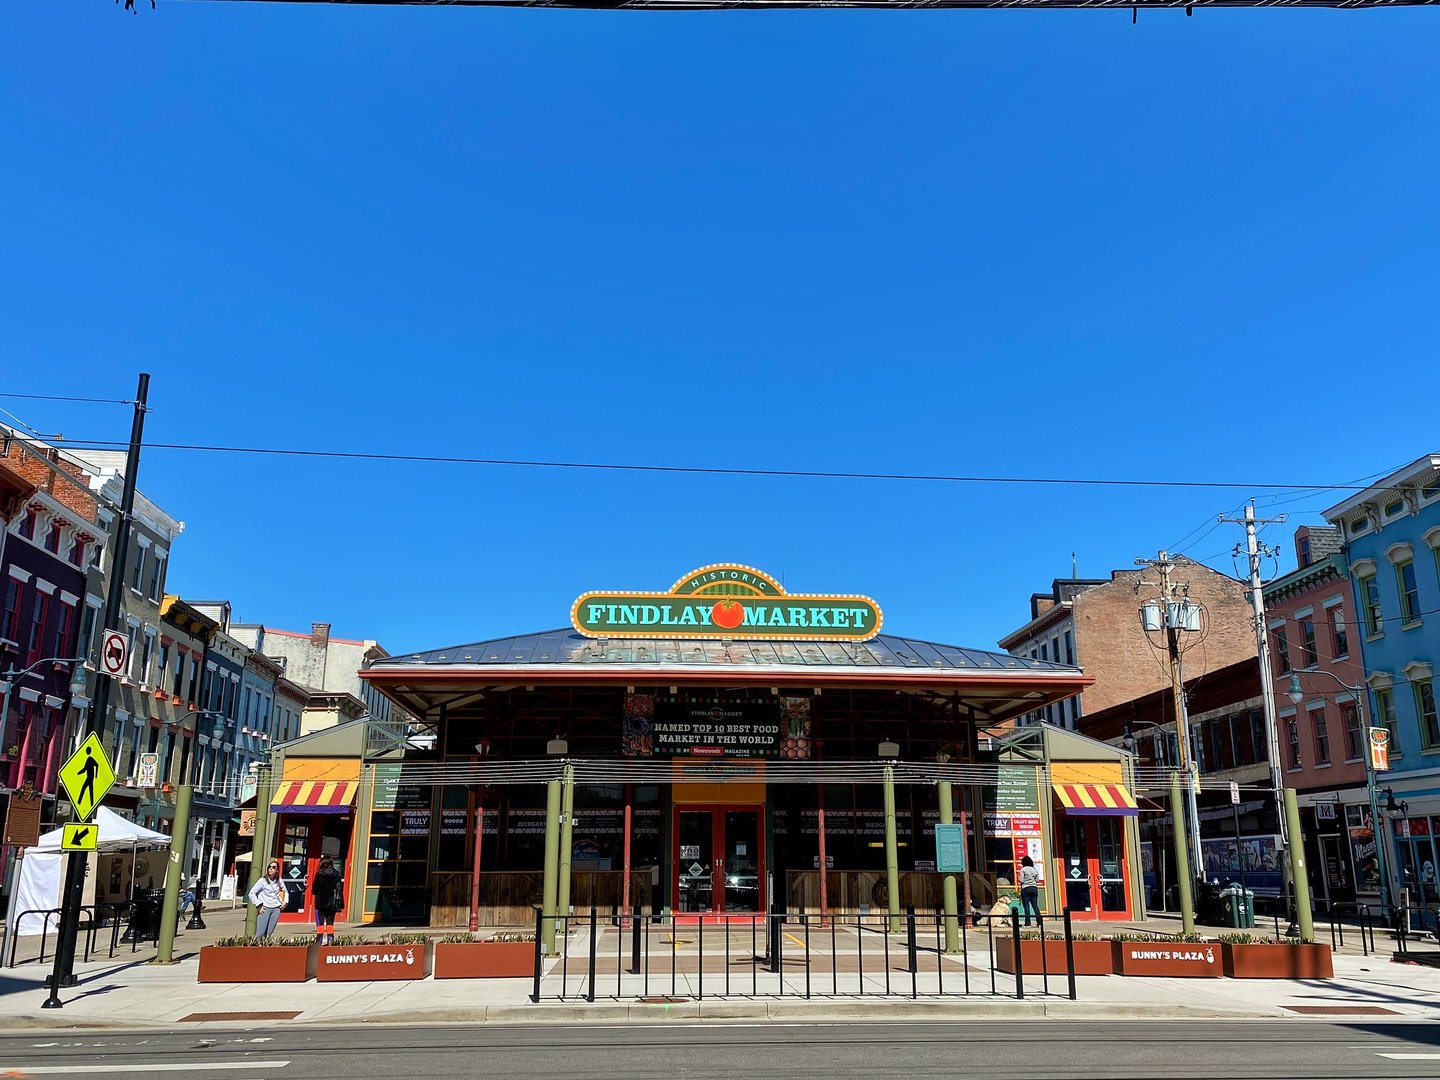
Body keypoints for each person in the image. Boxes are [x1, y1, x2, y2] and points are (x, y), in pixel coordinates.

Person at [247, 859, 285, 940]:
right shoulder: (262, 881)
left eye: (273, 867)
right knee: (260, 934)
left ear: (277, 870)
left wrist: (285, 902)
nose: (271, 869)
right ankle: (255, 949)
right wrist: (259, 905)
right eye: (269, 867)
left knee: (269, 934)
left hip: (276, 908)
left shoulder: (279, 881)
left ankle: (265, 949)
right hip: (265, 908)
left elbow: (285, 892)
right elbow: (251, 893)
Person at [310, 856, 343, 946]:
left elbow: (314, 891)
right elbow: (340, 889)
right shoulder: (336, 874)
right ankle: (330, 941)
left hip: (320, 903)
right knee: (330, 924)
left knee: (320, 924)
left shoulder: (319, 875)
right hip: (332, 903)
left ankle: (319, 942)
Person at [1019, 855, 1041, 927]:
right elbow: (1037, 880)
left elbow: (1021, 880)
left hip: (1025, 888)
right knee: (1035, 905)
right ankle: (1039, 923)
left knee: (1027, 906)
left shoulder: (1023, 870)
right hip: (1034, 888)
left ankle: (1028, 923)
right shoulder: (1034, 869)